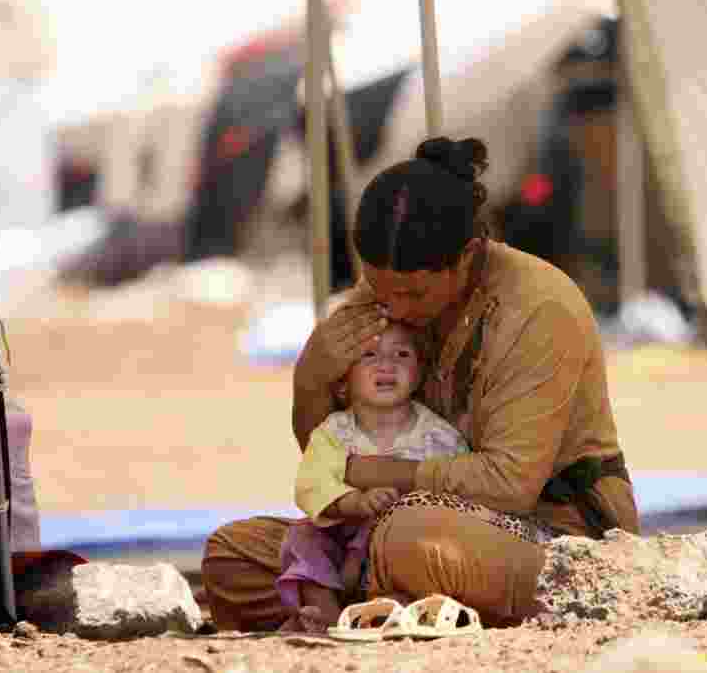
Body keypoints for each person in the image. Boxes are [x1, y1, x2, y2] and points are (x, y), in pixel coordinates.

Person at [202, 136, 639, 632]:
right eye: (381, 288)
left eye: (413, 293)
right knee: (232, 555)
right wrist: (312, 379)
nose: (396, 308)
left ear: (470, 255)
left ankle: (369, 600)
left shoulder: (538, 307)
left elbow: (510, 484)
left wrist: (380, 475)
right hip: (386, 529)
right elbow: (331, 455)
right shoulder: (386, 291)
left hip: (558, 537)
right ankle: (378, 603)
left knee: (408, 540)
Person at [276, 321, 469, 632]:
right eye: (368, 355)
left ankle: (385, 611)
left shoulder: (439, 436)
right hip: (342, 539)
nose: (386, 365)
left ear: (419, 375)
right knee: (301, 536)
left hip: (398, 546)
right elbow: (311, 483)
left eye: (402, 354)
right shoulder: (335, 431)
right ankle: (324, 611)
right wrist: (355, 502)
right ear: (343, 382)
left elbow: (459, 490)